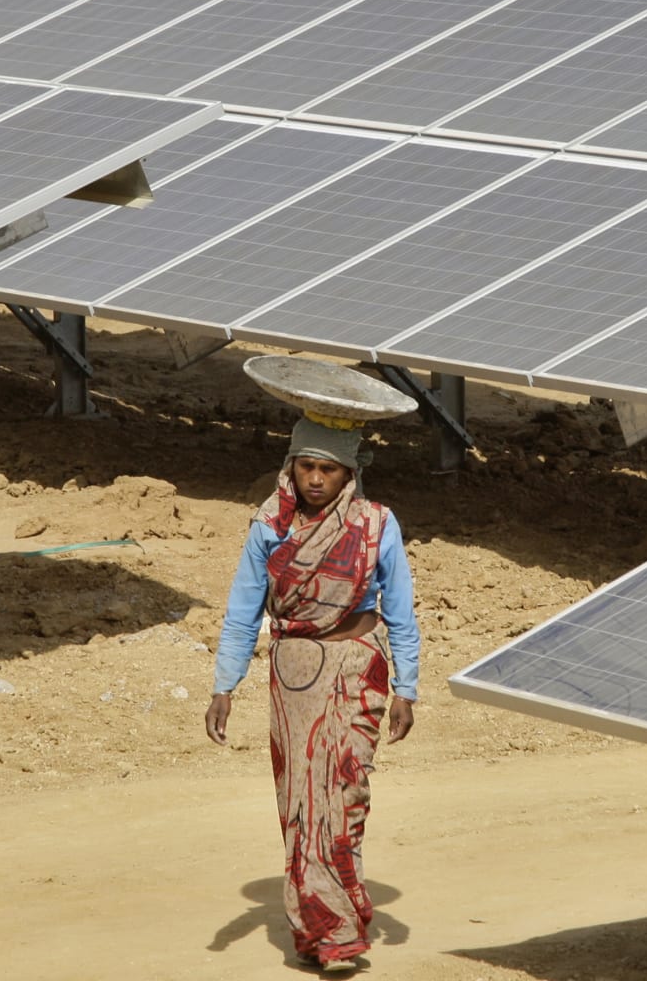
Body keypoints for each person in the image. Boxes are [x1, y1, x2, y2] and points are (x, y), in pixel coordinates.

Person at [205, 414, 419, 974]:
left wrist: (408, 687)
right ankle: (323, 934)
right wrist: (224, 686)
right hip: (293, 674)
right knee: (301, 801)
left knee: (344, 794)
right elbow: (241, 611)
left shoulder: (376, 524)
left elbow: (400, 613)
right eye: (307, 467)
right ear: (291, 467)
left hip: (357, 666)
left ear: (348, 472)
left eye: (328, 469)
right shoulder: (269, 527)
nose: (316, 479)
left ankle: (335, 926)